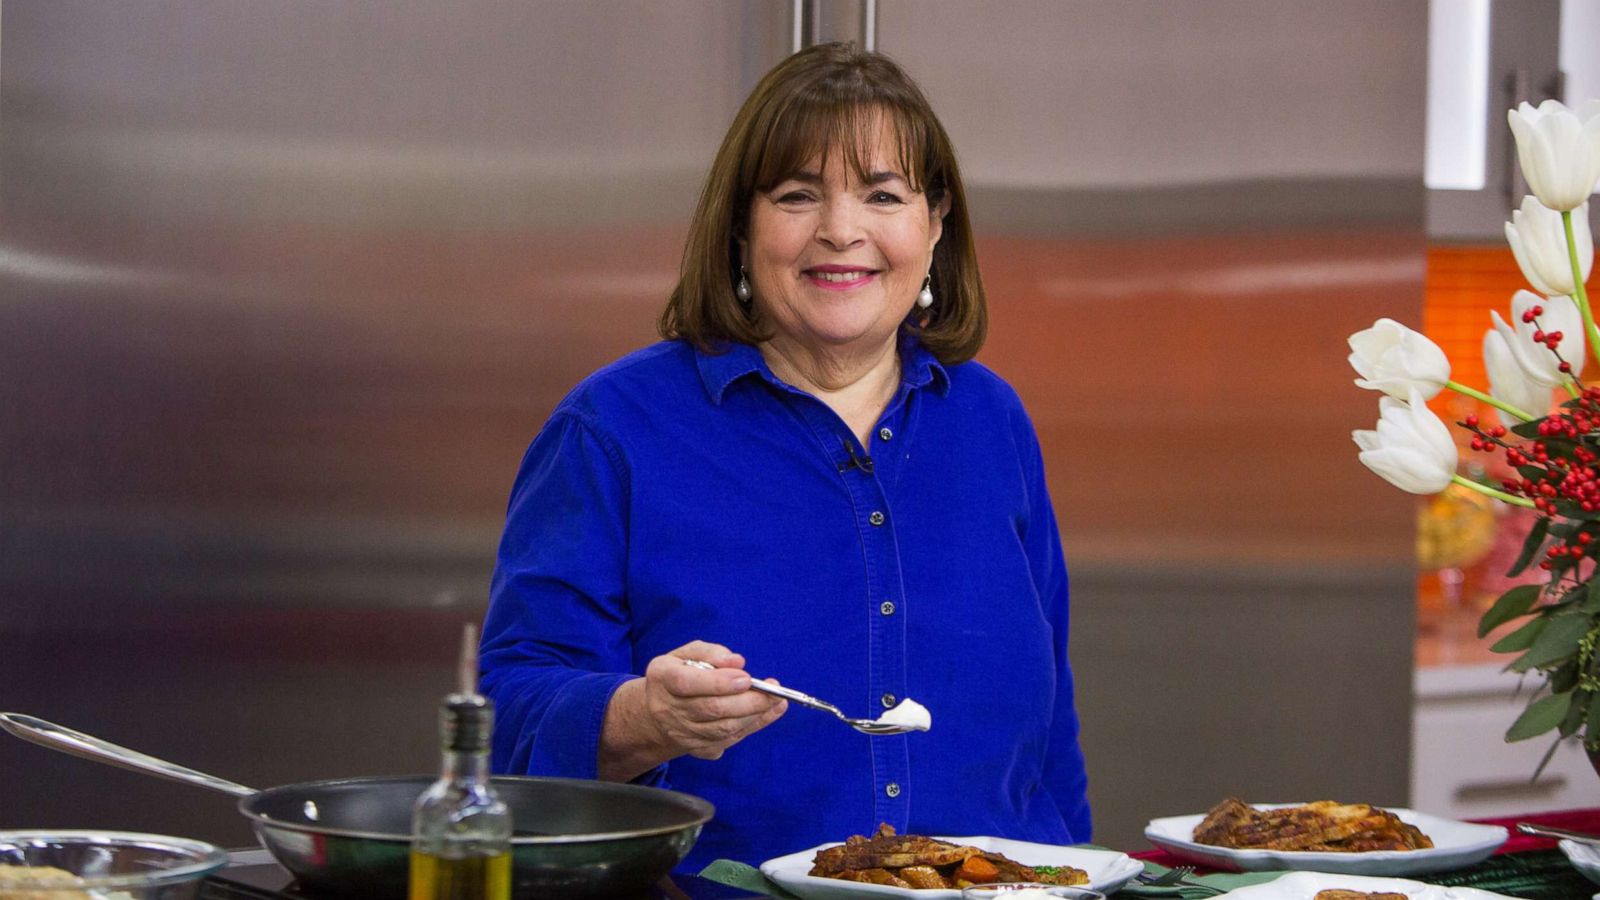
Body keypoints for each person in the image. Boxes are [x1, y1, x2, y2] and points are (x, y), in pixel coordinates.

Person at [480, 41, 1089, 871]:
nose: (842, 231)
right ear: (740, 226)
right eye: (798, 195)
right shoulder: (612, 429)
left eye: (883, 194)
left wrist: (1079, 876)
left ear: (935, 222)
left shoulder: (993, 422)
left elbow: (1049, 739)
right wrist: (638, 717)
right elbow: (508, 714)